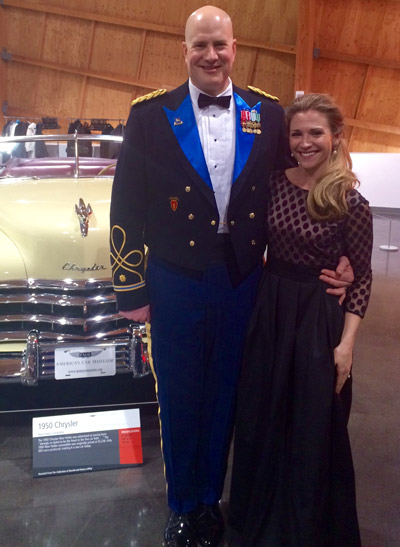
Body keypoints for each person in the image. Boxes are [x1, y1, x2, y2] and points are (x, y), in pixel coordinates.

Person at [109, 7, 352, 546]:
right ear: (185, 49)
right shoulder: (150, 114)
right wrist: (130, 288)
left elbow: (301, 179)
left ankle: (210, 501)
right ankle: (182, 504)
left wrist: (342, 250)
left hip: (244, 280)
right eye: (200, 46)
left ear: (234, 48)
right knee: (178, 392)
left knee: (225, 393)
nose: (211, 55)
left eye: (219, 44)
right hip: (174, 277)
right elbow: (125, 202)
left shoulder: (266, 113)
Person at [228, 93, 373, 547]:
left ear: (334, 138)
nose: (306, 142)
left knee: (313, 424)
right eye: (297, 133)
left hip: (317, 320)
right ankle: (258, 519)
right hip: (270, 310)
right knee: (262, 414)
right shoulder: (272, 183)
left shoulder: (350, 201)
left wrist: (346, 346)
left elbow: (363, 278)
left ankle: (308, 527)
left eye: (316, 133)